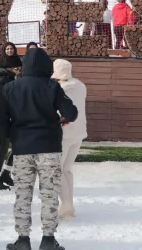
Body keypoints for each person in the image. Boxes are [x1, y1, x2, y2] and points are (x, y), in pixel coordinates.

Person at [0, 48, 78, 250]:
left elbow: (1, 120)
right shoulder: (52, 86)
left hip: (22, 148)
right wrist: (62, 118)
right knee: (49, 194)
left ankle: (23, 239)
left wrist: (13, 135)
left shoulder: (10, 88)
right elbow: (72, 112)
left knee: (22, 194)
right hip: (49, 146)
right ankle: (48, 239)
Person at [52, 59, 87, 219]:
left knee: (57, 170)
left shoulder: (61, 88)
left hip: (64, 132)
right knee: (66, 169)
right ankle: (68, 206)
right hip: (79, 133)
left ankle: (66, 205)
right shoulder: (80, 85)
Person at [0, 54, 22, 190]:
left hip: (7, 118)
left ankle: (6, 173)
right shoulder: (2, 79)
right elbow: (4, 99)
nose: (19, 71)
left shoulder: (8, 78)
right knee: (2, 148)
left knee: (16, 146)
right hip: (0, 119)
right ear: (11, 67)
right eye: (17, 68)